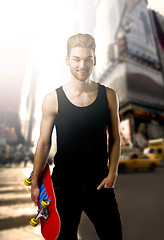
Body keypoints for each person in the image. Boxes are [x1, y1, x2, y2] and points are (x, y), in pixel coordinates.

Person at [31, 33, 122, 240]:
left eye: (88, 59)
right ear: (67, 60)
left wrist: (113, 173)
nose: (83, 64)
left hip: (100, 183)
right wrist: (36, 184)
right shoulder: (52, 99)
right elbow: (44, 143)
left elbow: (115, 138)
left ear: (95, 60)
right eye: (77, 59)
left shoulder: (109, 95)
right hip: (63, 186)